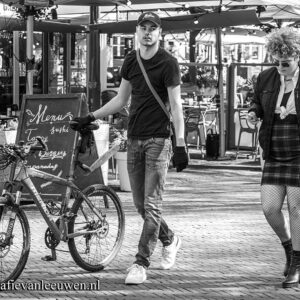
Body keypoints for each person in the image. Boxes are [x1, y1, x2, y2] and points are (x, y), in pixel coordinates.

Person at [71, 12, 188, 285]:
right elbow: (121, 100)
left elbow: (177, 105)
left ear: (160, 33)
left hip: (159, 140)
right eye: (143, 28)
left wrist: (180, 143)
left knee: (152, 204)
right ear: (137, 31)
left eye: (153, 29)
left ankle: (140, 262)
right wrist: (91, 116)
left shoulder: (168, 63)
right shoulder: (131, 61)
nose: (147, 33)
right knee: (139, 204)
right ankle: (170, 239)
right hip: (134, 138)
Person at [248, 27, 300, 288]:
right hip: (274, 151)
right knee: (269, 208)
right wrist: (253, 112)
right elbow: (257, 102)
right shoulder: (266, 78)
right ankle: (290, 248)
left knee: (296, 209)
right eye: (276, 61)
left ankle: (298, 264)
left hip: (299, 153)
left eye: (286, 63)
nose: (280, 67)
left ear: (297, 57)